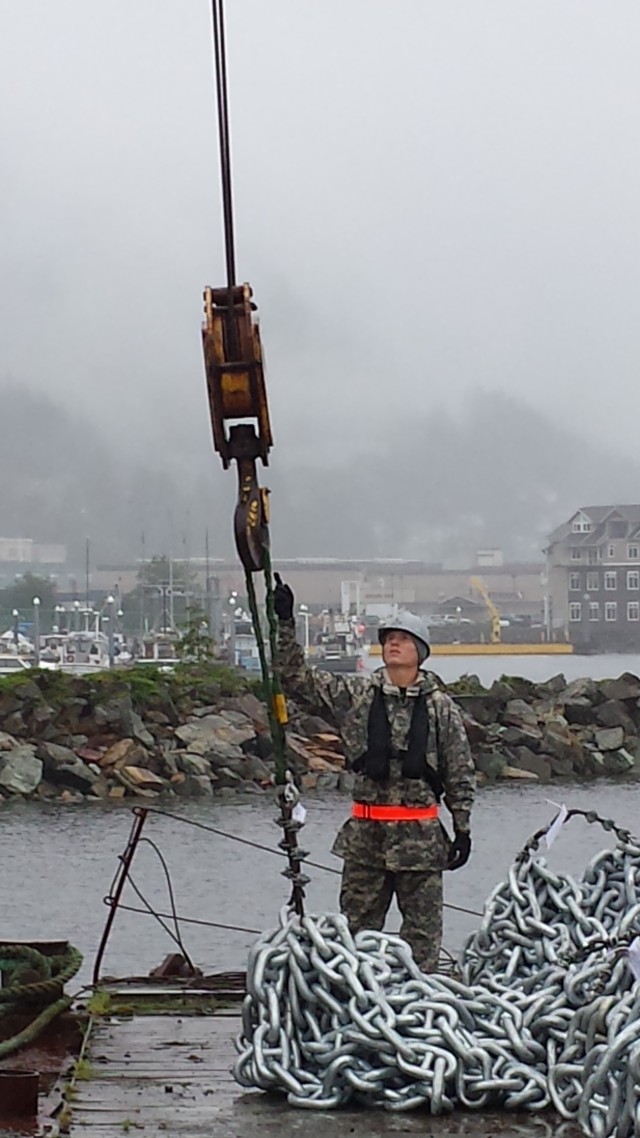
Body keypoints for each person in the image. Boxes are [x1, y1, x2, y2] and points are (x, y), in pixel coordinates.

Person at [273, 574, 475, 973]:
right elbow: (298, 678)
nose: (393, 644)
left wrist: (463, 828)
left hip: (421, 847)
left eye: (402, 638)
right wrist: (285, 623)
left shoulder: (441, 710)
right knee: (356, 939)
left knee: (422, 944)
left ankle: (418, 1014)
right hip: (366, 845)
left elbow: (459, 771)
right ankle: (359, 1009)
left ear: (420, 650)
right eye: (388, 639)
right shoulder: (358, 697)